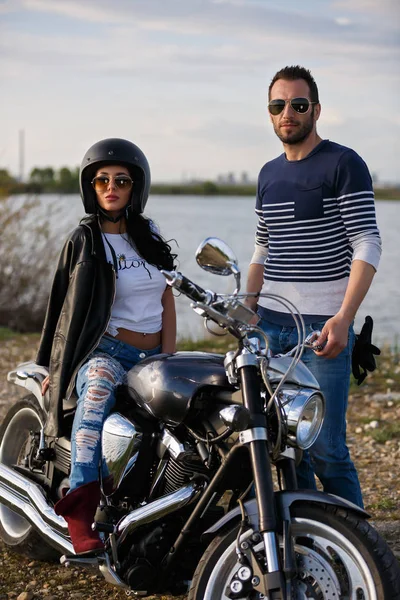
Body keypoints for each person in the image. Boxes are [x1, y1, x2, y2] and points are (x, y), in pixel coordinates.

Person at [246, 66, 381, 508]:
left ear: (316, 110)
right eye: (278, 105)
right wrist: (247, 310)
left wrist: (343, 319)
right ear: (269, 113)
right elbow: (261, 251)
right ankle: (307, 539)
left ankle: (361, 544)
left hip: (321, 330)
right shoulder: (267, 174)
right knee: (287, 446)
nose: (288, 113)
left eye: (298, 105)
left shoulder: (343, 163)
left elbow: (368, 243)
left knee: (325, 448)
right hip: (270, 329)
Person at [36, 138, 177, 554]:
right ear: (90, 187)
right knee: (93, 403)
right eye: (101, 180)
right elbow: (61, 305)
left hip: (152, 356)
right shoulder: (85, 240)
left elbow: (166, 298)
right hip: (107, 352)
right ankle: (80, 512)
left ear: (137, 187)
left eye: (121, 180)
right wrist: (51, 366)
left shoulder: (147, 235)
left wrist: (167, 358)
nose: (111, 187)